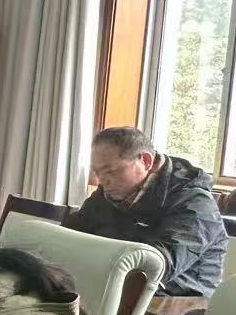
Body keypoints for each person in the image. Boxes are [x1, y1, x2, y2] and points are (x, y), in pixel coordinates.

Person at [63, 126, 226, 296]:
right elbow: (70, 234)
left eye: (110, 171)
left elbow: (154, 266)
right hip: (116, 287)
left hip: (178, 299)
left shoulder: (195, 203)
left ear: (146, 161)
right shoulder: (111, 191)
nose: (103, 181)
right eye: (98, 173)